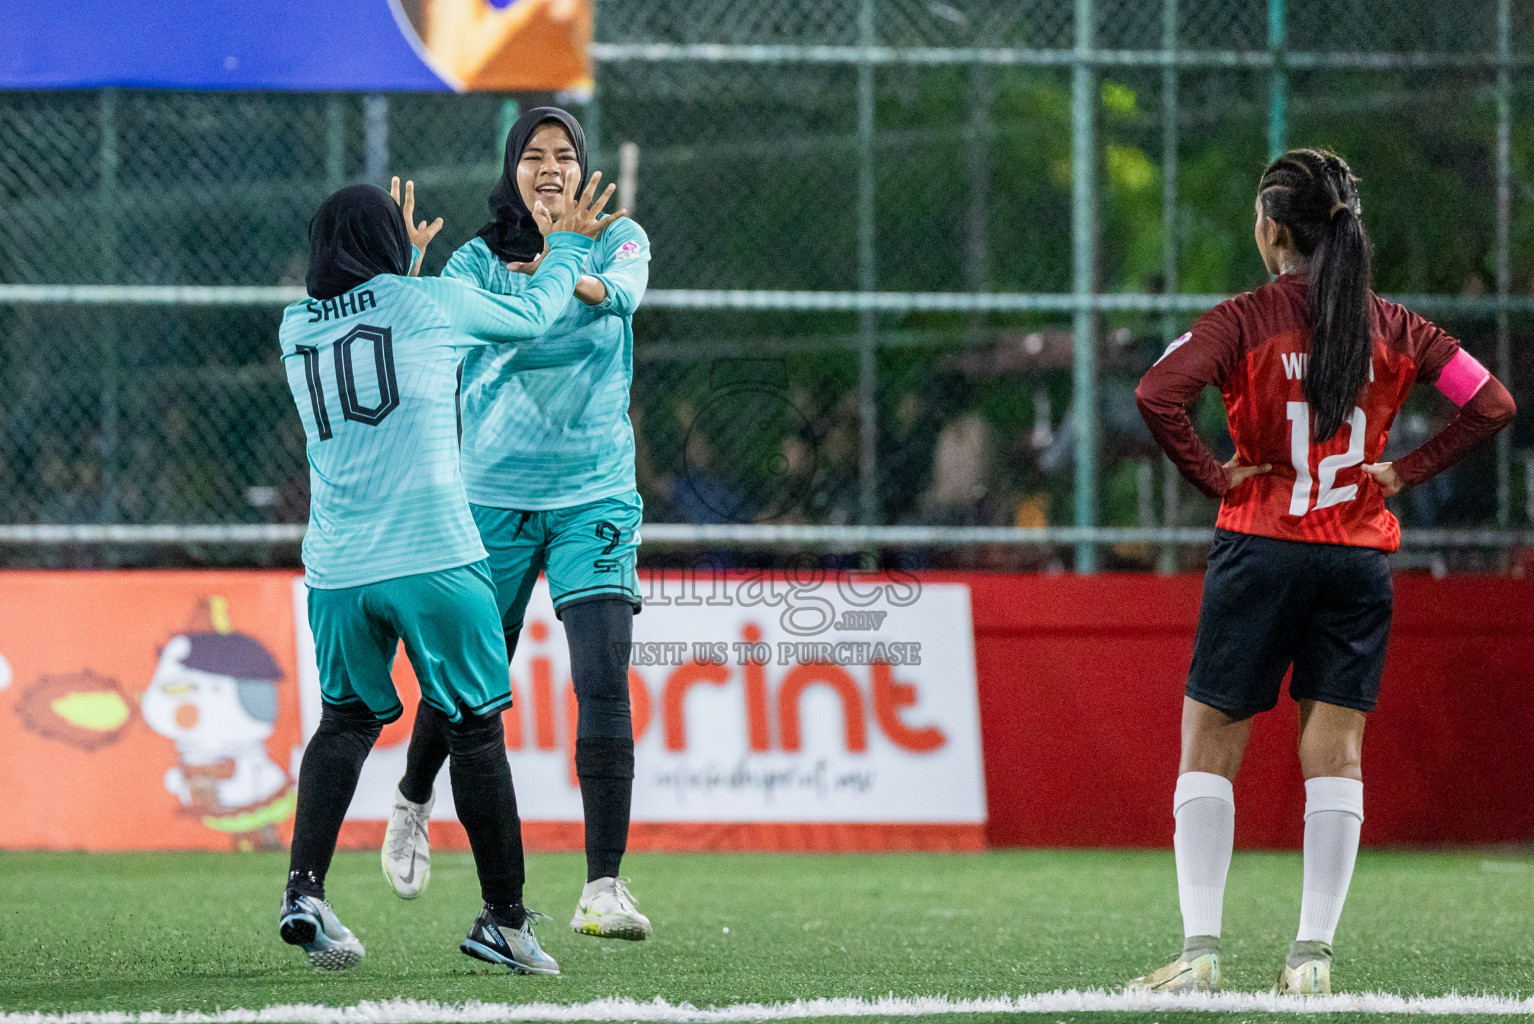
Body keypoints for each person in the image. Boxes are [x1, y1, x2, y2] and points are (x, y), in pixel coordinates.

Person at [1128, 149, 1515, 996]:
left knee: (1210, 740)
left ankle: (1199, 953)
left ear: (1271, 230)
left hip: (1260, 547)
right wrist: (1408, 472)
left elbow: (1157, 393)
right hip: (1357, 558)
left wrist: (1211, 474)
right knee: (1335, 753)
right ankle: (1310, 960)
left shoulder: (1242, 320)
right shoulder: (1400, 327)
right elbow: (1492, 404)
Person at [277, 172, 623, 975]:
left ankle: (305, 893)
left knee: (344, 723)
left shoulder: (294, 329)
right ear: (388, 252)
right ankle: (503, 920)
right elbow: (535, 316)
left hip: (336, 571)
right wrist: (567, 244)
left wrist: (397, 268)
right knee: (475, 730)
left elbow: (372, 317)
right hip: (433, 552)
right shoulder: (427, 305)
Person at [380, 107, 655, 941]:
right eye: (532, 155)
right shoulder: (473, 258)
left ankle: (602, 888)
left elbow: (623, 295)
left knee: (602, 679)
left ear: (581, 173)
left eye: (563, 156)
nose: (548, 167)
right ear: (511, 170)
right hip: (490, 498)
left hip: (595, 497)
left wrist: (571, 259)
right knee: (470, 679)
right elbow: (429, 333)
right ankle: (411, 800)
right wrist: (410, 275)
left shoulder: (617, 239)